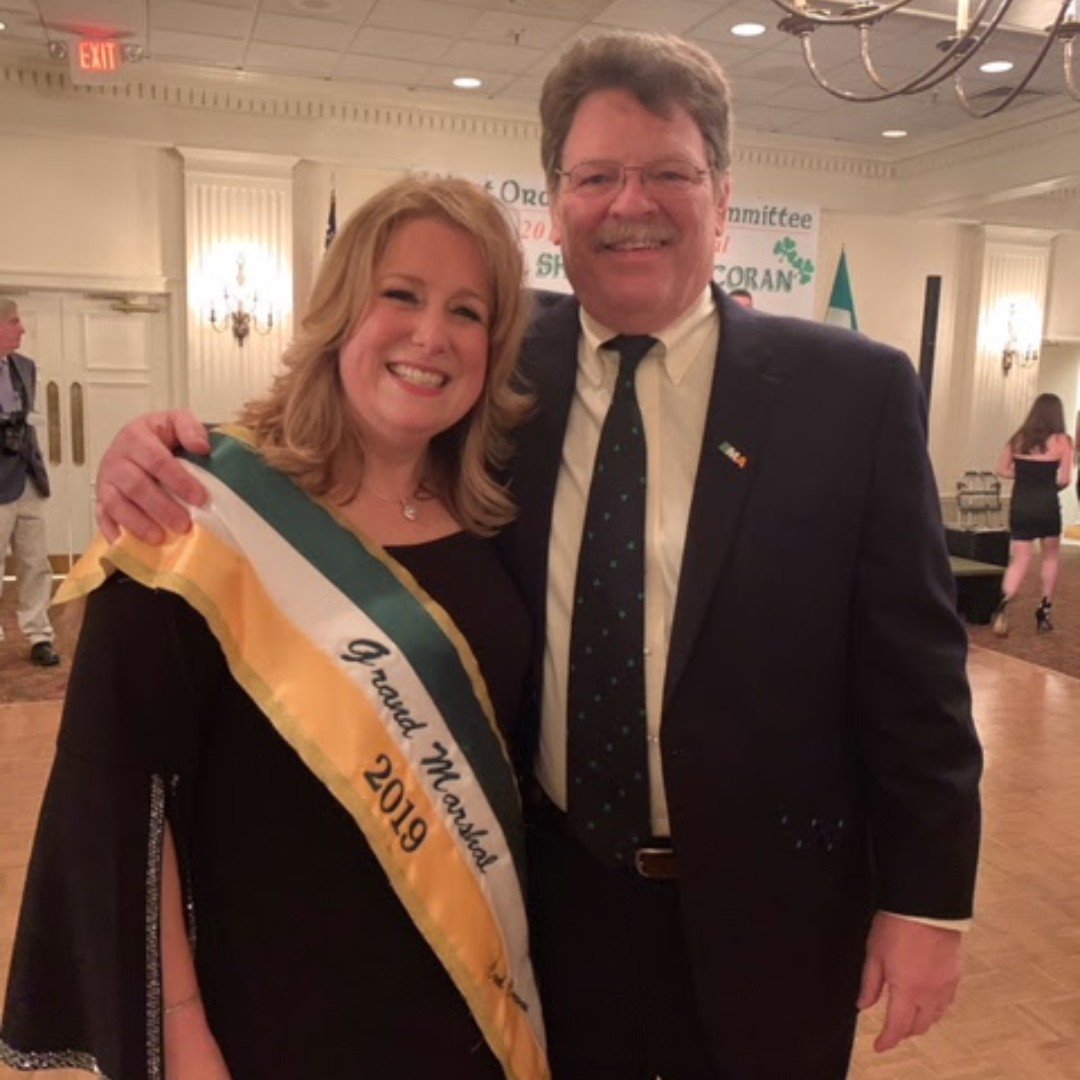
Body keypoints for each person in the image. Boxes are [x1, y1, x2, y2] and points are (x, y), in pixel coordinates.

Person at [85, 31, 983, 1080]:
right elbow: (340, 441)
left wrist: (926, 904)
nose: (628, 203)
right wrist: (155, 445)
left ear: (724, 196)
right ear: (556, 205)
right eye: (596, 176)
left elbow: (917, 679)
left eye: (668, 174)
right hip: (546, 911)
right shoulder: (498, 367)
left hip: (776, 922)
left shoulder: (855, 394)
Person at [0, 177, 550, 1080]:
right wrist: (183, 1033)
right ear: (338, 312)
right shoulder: (197, 511)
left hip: (471, 1005)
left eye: (468, 312)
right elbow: (123, 798)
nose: (431, 335)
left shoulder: (499, 525)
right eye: (401, 295)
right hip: (274, 1013)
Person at [0, 297, 59, 667]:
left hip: (27, 477)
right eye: (14, 321)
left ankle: (39, 634)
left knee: (36, 561)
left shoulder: (26, 367)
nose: (22, 329)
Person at [991, 392, 1074, 636]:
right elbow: (1066, 479)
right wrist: (1049, 484)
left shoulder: (1019, 438)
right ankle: (1044, 610)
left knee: (1021, 559)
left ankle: (1005, 603)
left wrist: (1024, 475)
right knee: (1050, 556)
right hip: (1047, 504)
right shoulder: (1063, 441)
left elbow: (1001, 469)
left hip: (1021, 504)